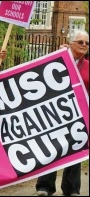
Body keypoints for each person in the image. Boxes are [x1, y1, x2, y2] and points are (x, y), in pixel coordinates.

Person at [36, 29, 89, 196]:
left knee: (75, 150)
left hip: (78, 114)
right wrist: (58, 56)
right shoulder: (58, 60)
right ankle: (44, 186)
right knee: (51, 148)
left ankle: (72, 189)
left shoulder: (88, 66)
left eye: (87, 43)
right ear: (71, 43)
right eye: (80, 42)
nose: (84, 45)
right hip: (56, 114)